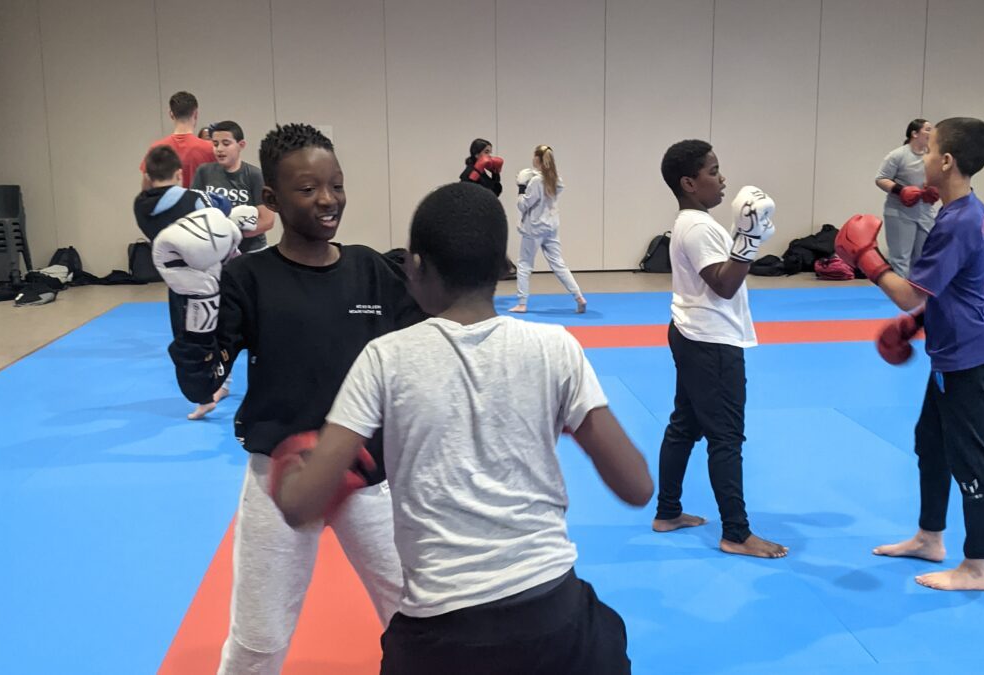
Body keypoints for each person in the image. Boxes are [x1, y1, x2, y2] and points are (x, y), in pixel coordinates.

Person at [271, 181, 653, 674]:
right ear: (502, 266)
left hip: (442, 638)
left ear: (416, 265)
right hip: (556, 619)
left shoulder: (385, 359)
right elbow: (638, 487)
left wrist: (291, 470)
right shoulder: (556, 348)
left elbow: (302, 505)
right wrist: (563, 419)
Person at [167, 123, 424, 672]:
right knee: (258, 639)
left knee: (418, 618)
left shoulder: (372, 271)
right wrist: (190, 299)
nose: (327, 200)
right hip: (276, 479)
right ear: (271, 199)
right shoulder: (247, 278)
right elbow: (202, 380)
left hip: (366, 478)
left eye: (336, 184)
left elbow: (434, 341)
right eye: (308, 189)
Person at [836, 117, 984, 591]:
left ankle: (978, 566)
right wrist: (918, 325)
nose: (922, 159)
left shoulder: (958, 220)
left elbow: (911, 293)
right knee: (930, 444)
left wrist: (868, 259)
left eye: (928, 152)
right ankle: (930, 537)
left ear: (946, 161)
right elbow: (957, 288)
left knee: (970, 458)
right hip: (956, 345)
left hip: (967, 357)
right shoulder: (968, 211)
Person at [650, 140, 788, 559]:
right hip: (710, 342)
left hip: (694, 333)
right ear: (689, 183)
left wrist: (747, 240)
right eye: (712, 171)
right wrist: (747, 241)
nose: (722, 177)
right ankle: (736, 533)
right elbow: (724, 284)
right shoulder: (697, 227)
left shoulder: (694, 224)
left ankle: (668, 511)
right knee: (725, 437)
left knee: (685, 426)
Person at [133, 145, 254, 420]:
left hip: (179, 283)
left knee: (190, 339)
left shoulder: (141, 206)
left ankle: (208, 392)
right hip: (213, 278)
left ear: (148, 175)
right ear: (178, 173)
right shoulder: (196, 199)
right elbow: (224, 210)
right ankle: (217, 386)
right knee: (221, 333)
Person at [509, 145, 586, 314]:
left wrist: (521, 187)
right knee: (559, 264)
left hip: (534, 227)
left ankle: (522, 303)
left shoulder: (536, 181)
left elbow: (524, 205)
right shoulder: (555, 178)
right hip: (550, 226)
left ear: (537, 159)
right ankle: (579, 297)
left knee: (524, 264)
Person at [192, 120, 275, 253]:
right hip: (217, 252)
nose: (219, 149)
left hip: (251, 252)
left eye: (226, 143)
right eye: (215, 144)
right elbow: (194, 212)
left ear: (241, 145)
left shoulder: (254, 175)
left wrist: (234, 234)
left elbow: (267, 221)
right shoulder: (204, 172)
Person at [875, 119, 941, 277]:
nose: (931, 133)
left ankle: (917, 295)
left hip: (924, 212)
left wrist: (936, 189)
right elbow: (880, 178)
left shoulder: (932, 156)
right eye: (927, 129)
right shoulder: (898, 155)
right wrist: (900, 190)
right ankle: (900, 296)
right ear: (914, 133)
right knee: (900, 259)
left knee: (922, 257)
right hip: (899, 212)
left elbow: (939, 177)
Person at [139, 91, 215, 190]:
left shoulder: (156, 149)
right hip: (201, 204)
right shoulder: (211, 149)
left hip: (167, 204)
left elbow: (146, 186)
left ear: (171, 114)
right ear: (195, 114)